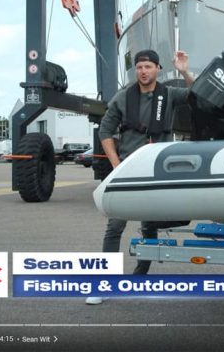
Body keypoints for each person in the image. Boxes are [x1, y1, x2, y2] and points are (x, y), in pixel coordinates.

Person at [86, 49, 194, 305]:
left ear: (157, 69)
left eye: (148, 66)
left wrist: (184, 71)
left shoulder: (169, 94)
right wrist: (116, 163)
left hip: (158, 167)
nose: (143, 71)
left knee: (149, 225)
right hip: (129, 168)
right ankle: (105, 283)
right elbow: (106, 130)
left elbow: (196, 95)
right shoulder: (124, 98)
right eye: (139, 67)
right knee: (115, 226)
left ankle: (140, 276)